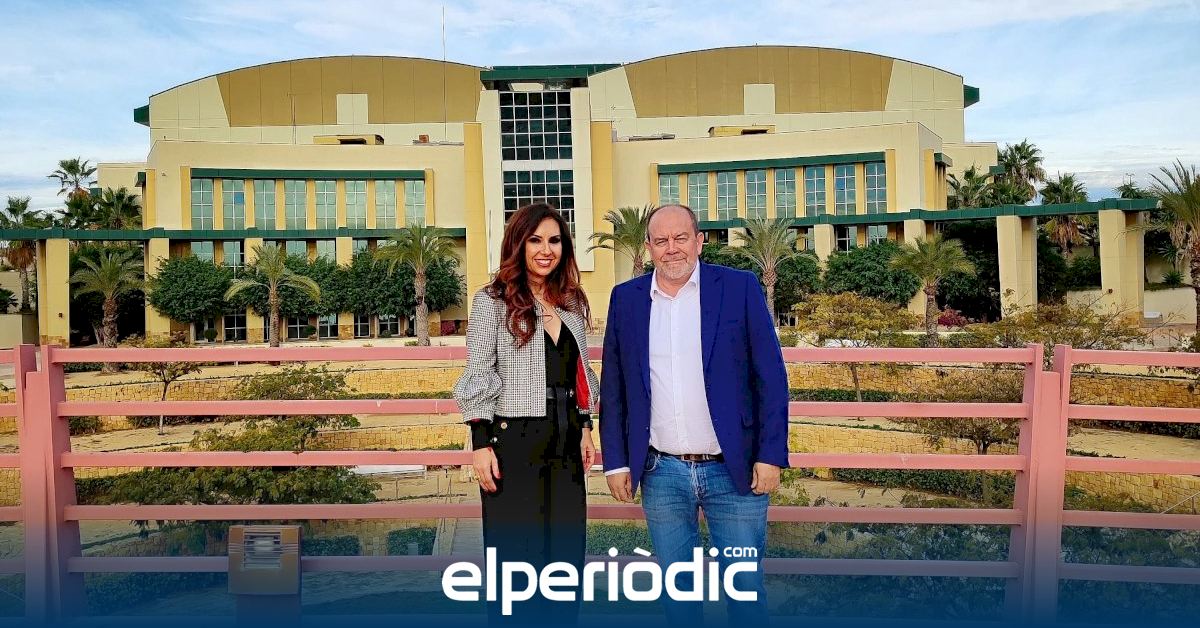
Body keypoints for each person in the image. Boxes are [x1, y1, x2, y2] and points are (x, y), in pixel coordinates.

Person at [599, 204, 789, 624]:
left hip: (735, 471)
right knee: (677, 596)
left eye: (681, 238)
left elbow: (771, 377)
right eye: (661, 241)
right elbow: (614, 388)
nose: (672, 248)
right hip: (661, 472)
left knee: (744, 592)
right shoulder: (626, 300)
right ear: (649, 247)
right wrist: (615, 462)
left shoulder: (738, 288)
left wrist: (770, 455)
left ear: (699, 241)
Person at [453, 202, 600, 625]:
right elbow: (480, 371)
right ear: (518, 244)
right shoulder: (492, 301)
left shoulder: (570, 302)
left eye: (554, 240)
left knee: (564, 559)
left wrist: (586, 426)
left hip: (566, 443)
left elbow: (579, 372)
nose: (545, 250)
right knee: (516, 564)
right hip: (513, 443)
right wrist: (480, 443)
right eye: (535, 240)